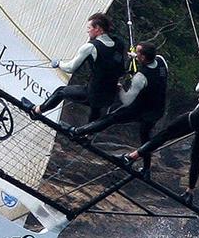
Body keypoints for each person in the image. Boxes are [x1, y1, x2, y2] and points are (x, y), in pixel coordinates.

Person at [123, 56, 199, 202]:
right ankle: (190, 192)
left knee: (164, 134)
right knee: (196, 156)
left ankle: (131, 157)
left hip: (195, 119)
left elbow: (198, 88)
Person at [68, 41, 168, 177]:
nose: (136, 55)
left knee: (111, 118)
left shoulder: (141, 77)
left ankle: (79, 131)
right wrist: (134, 56)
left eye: (137, 53)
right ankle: (146, 169)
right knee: (145, 137)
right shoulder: (161, 62)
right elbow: (150, 65)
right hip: (157, 109)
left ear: (143, 57)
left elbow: (126, 101)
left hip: (141, 108)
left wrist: (120, 88)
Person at [29, 13, 126, 123]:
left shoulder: (91, 47)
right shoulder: (119, 43)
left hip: (93, 93)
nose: (87, 31)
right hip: (110, 96)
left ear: (97, 29)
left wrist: (58, 63)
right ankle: (87, 136)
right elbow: (120, 69)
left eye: (89, 28)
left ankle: (37, 111)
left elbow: (71, 68)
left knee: (61, 92)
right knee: (96, 111)